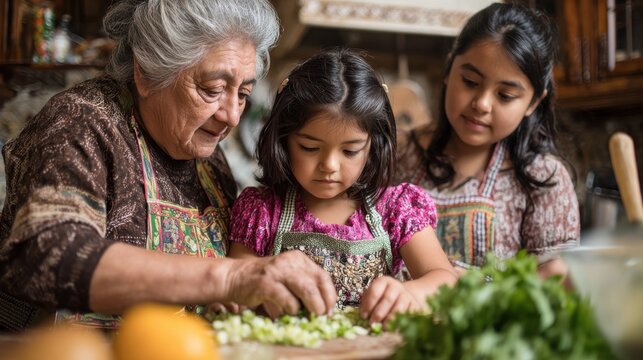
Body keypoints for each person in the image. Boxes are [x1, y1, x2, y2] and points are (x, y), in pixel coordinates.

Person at [0, 0, 337, 331]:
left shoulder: (209, 160)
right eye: (213, 89)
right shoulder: (83, 122)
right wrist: (230, 277)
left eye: (243, 94)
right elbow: (47, 258)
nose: (232, 116)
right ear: (146, 73)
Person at [228, 48, 457, 324]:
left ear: (373, 147)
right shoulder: (262, 211)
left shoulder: (396, 209)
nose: (330, 165)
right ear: (284, 140)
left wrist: (409, 293)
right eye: (310, 147)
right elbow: (237, 288)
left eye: (350, 151)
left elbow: (446, 280)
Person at [395, 3, 580, 279]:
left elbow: (557, 285)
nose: (481, 104)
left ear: (533, 102)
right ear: (448, 71)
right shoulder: (397, 155)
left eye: (505, 95)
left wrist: (476, 287)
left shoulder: (544, 179)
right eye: (470, 81)